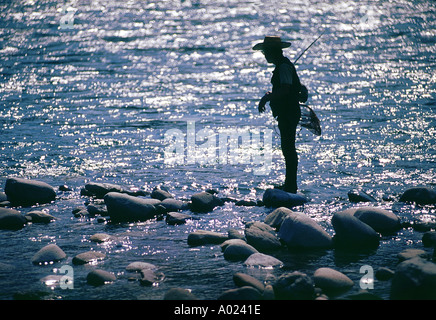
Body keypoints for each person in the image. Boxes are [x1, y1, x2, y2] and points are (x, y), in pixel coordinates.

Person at [253, 36, 302, 193]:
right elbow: (285, 89)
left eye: (266, 52)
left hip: (289, 113)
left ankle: (291, 186)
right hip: (287, 113)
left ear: (273, 52)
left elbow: (286, 90)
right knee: (287, 149)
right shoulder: (283, 66)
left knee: (288, 149)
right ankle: (290, 184)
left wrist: (266, 97)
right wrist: (269, 95)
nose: (265, 55)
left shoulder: (283, 68)